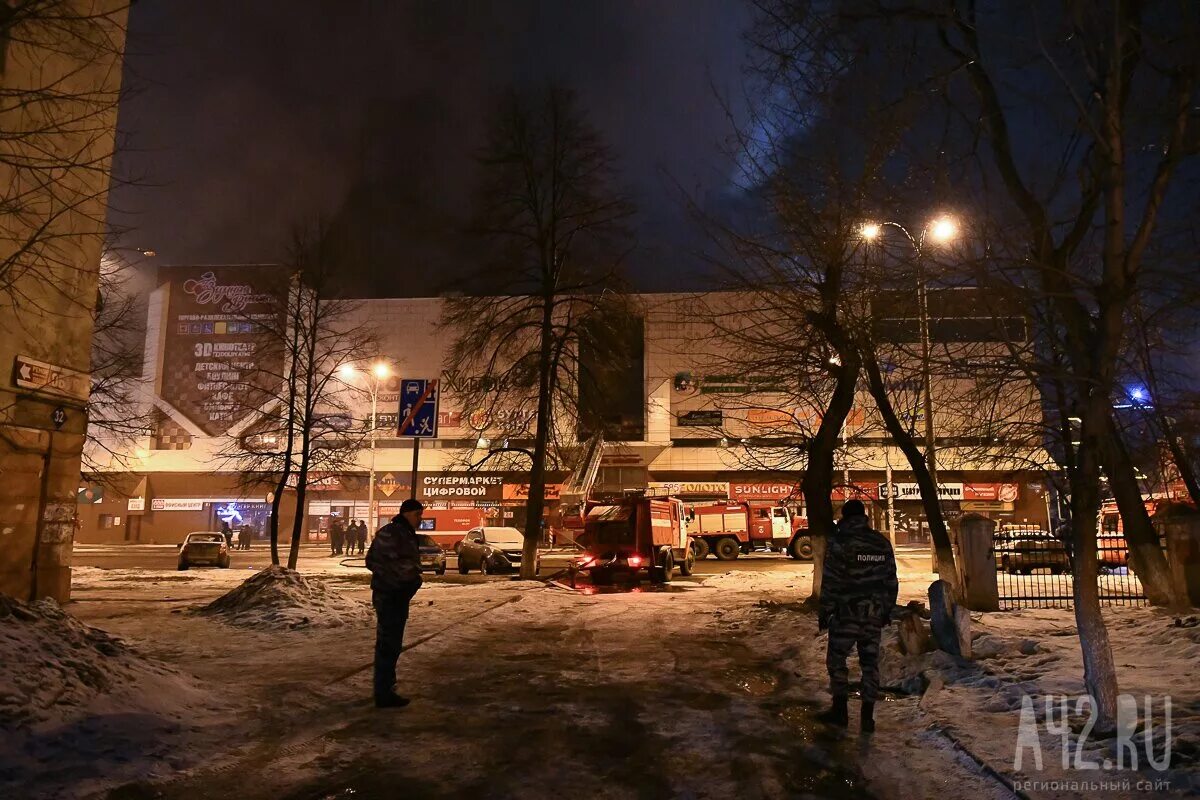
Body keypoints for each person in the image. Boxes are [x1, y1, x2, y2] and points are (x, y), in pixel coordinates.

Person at [817, 499, 898, 733]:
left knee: (837, 660)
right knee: (870, 664)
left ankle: (840, 711)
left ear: (844, 517)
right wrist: (885, 610)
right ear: (864, 516)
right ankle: (867, 718)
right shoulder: (882, 543)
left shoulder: (840, 542)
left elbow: (830, 581)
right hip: (873, 615)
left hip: (846, 614)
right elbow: (891, 581)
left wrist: (825, 612)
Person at [365, 499, 425, 709]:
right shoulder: (403, 535)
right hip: (395, 596)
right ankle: (384, 692)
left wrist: (384, 575)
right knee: (390, 645)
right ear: (407, 514)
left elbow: (370, 560)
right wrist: (412, 581)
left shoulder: (385, 531)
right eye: (418, 515)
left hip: (383, 594)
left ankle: (383, 688)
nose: (420, 519)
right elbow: (408, 567)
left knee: (385, 643)